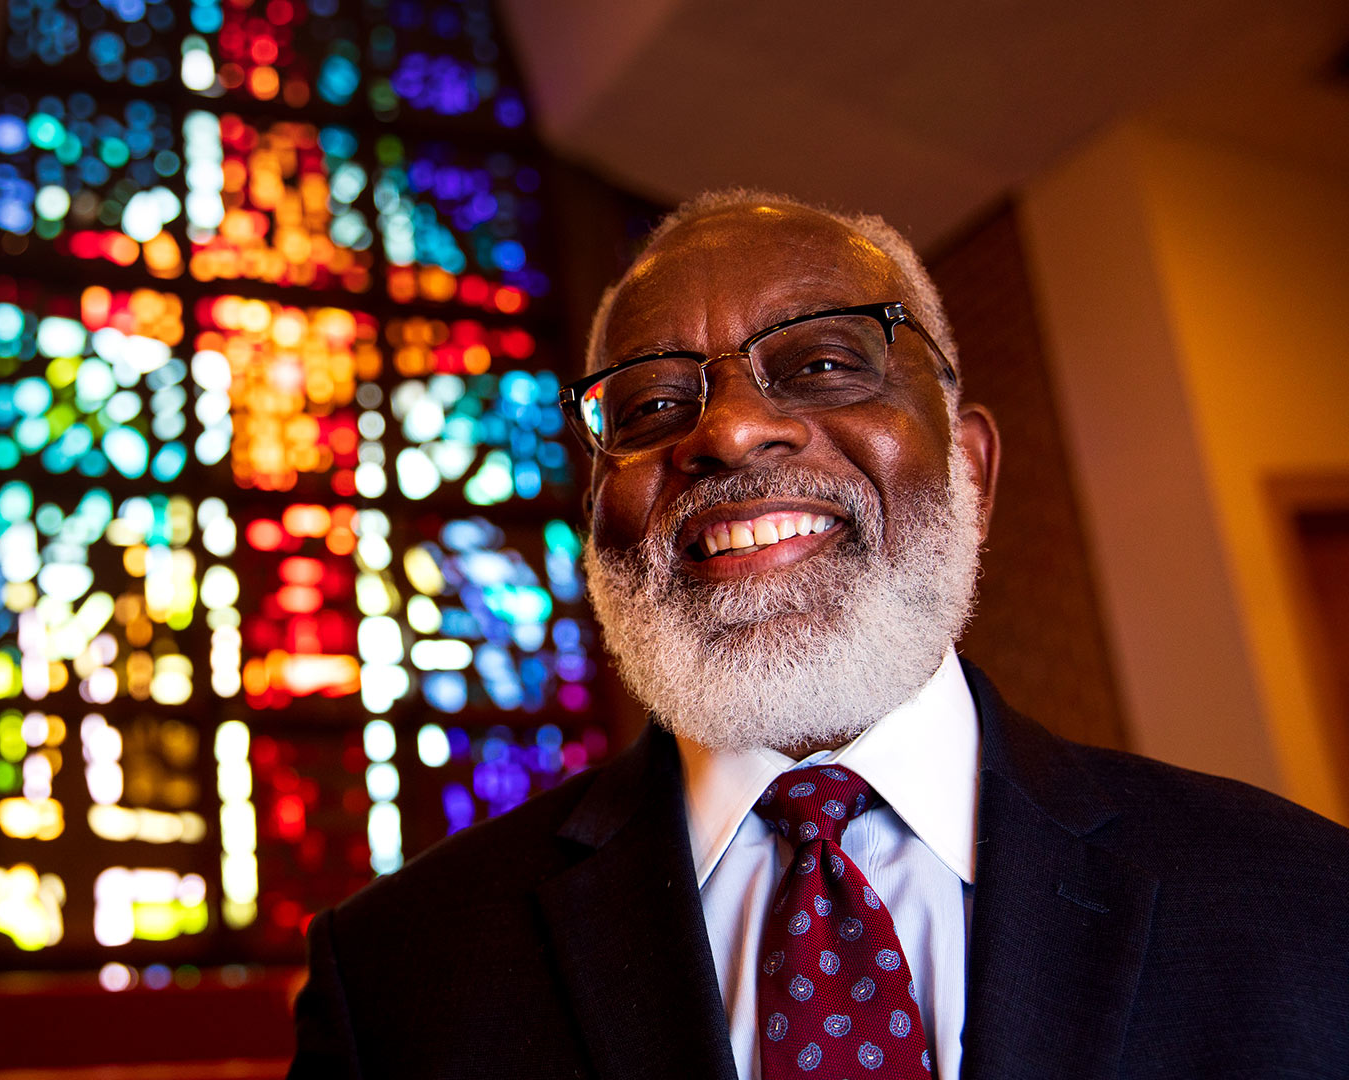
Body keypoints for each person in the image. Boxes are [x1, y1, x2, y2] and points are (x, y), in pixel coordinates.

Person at [287, 189, 1349, 1079]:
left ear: (970, 471)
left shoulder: (1306, 905)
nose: (731, 428)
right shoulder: (395, 975)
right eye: (653, 402)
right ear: (596, 519)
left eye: (825, 365)